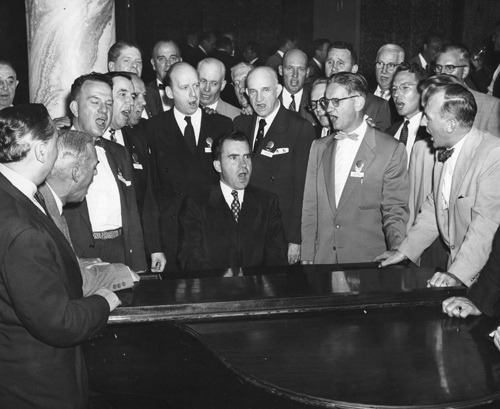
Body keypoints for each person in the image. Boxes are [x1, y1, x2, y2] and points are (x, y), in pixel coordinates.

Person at [0, 104, 117, 408]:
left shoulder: (12, 194)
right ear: (40, 151)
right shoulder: (21, 228)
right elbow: (58, 322)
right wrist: (104, 300)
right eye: (55, 139)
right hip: (37, 386)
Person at [375, 81, 500, 288]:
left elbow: (485, 228)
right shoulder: (445, 150)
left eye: (428, 117)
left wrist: (457, 275)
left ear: (450, 125)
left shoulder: (493, 155)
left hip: (485, 281)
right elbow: (436, 207)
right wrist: (405, 251)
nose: (423, 122)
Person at [301, 73, 409, 264]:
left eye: (336, 101)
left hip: (367, 262)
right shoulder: (319, 147)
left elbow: (394, 210)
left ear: (358, 102)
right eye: (327, 102)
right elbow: (311, 207)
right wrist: (307, 256)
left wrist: (397, 249)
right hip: (323, 260)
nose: (329, 110)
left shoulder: (390, 149)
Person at [146, 62, 232, 271]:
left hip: (211, 234)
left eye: (196, 85)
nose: (194, 94)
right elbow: (150, 192)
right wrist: (155, 246)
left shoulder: (222, 125)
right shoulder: (153, 128)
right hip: (171, 235)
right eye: (185, 88)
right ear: (169, 92)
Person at [64, 73, 148, 272]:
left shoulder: (118, 152)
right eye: (95, 102)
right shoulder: (58, 150)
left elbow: (131, 213)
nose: (104, 111)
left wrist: (139, 265)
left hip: (120, 250)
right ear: (75, 108)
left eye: (109, 104)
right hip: (80, 254)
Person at [39, 129, 138, 295]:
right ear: (76, 173)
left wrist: (81, 264)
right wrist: (123, 273)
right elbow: (74, 283)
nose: (96, 173)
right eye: (94, 168)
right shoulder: (48, 215)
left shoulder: (50, 203)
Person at [233, 66, 315, 264]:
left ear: (278, 90)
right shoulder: (240, 124)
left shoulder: (299, 128)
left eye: (265, 90)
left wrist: (295, 239)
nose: (259, 98)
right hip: (245, 229)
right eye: (252, 91)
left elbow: (302, 188)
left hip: (280, 231)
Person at [178, 130, 288, 271]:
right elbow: (188, 256)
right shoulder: (196, 203)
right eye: (234, 158)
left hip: (257, 288)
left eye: (247, 157)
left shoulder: (267, 202)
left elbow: (277, 256)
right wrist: (220, 279)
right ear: (218, 166)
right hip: (213, 288)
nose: (243, 165)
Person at [104, 72, 166, 272]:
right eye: (124, 95)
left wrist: (154, 248)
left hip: (134, 248)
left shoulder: (137, 138)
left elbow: (147, 197)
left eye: (133, 96)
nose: (131, 103)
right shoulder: (88, 141)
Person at [434, 44, 500, 135]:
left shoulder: (490, 106)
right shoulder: (430, 100)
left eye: (449, 68)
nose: (441, 74)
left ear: (465, 71)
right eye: (438, 67)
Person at [324, 41, 391, 131]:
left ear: (354, 69)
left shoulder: (376, 106)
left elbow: (383, 141)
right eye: (330, 62)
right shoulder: (316, 100)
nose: (333, 68)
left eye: (340, 63)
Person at [386, 63, 430, 165]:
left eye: (405, 88)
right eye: (394, 89)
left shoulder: (431, 133)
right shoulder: (390, 132)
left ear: (422, 90)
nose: (396, 94)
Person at [278, 49, 315, 124]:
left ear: (307, 72)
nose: (295, 75)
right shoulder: (271, 99)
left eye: (301, 69)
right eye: (289, 68)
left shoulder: (314, 102)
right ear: (281, 70)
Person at [147, 39, 181, 116]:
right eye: (162, 59)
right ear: (153, 64)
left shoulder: (191, 92)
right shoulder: (144, 94)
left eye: (173, 58)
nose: (168, 64)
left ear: (180, 61)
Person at [373, 43, 405, 124]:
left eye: (391, 65)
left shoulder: (403, 101)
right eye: (380, 63)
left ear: (400, 68)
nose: (384, 70)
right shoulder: (363, 91)